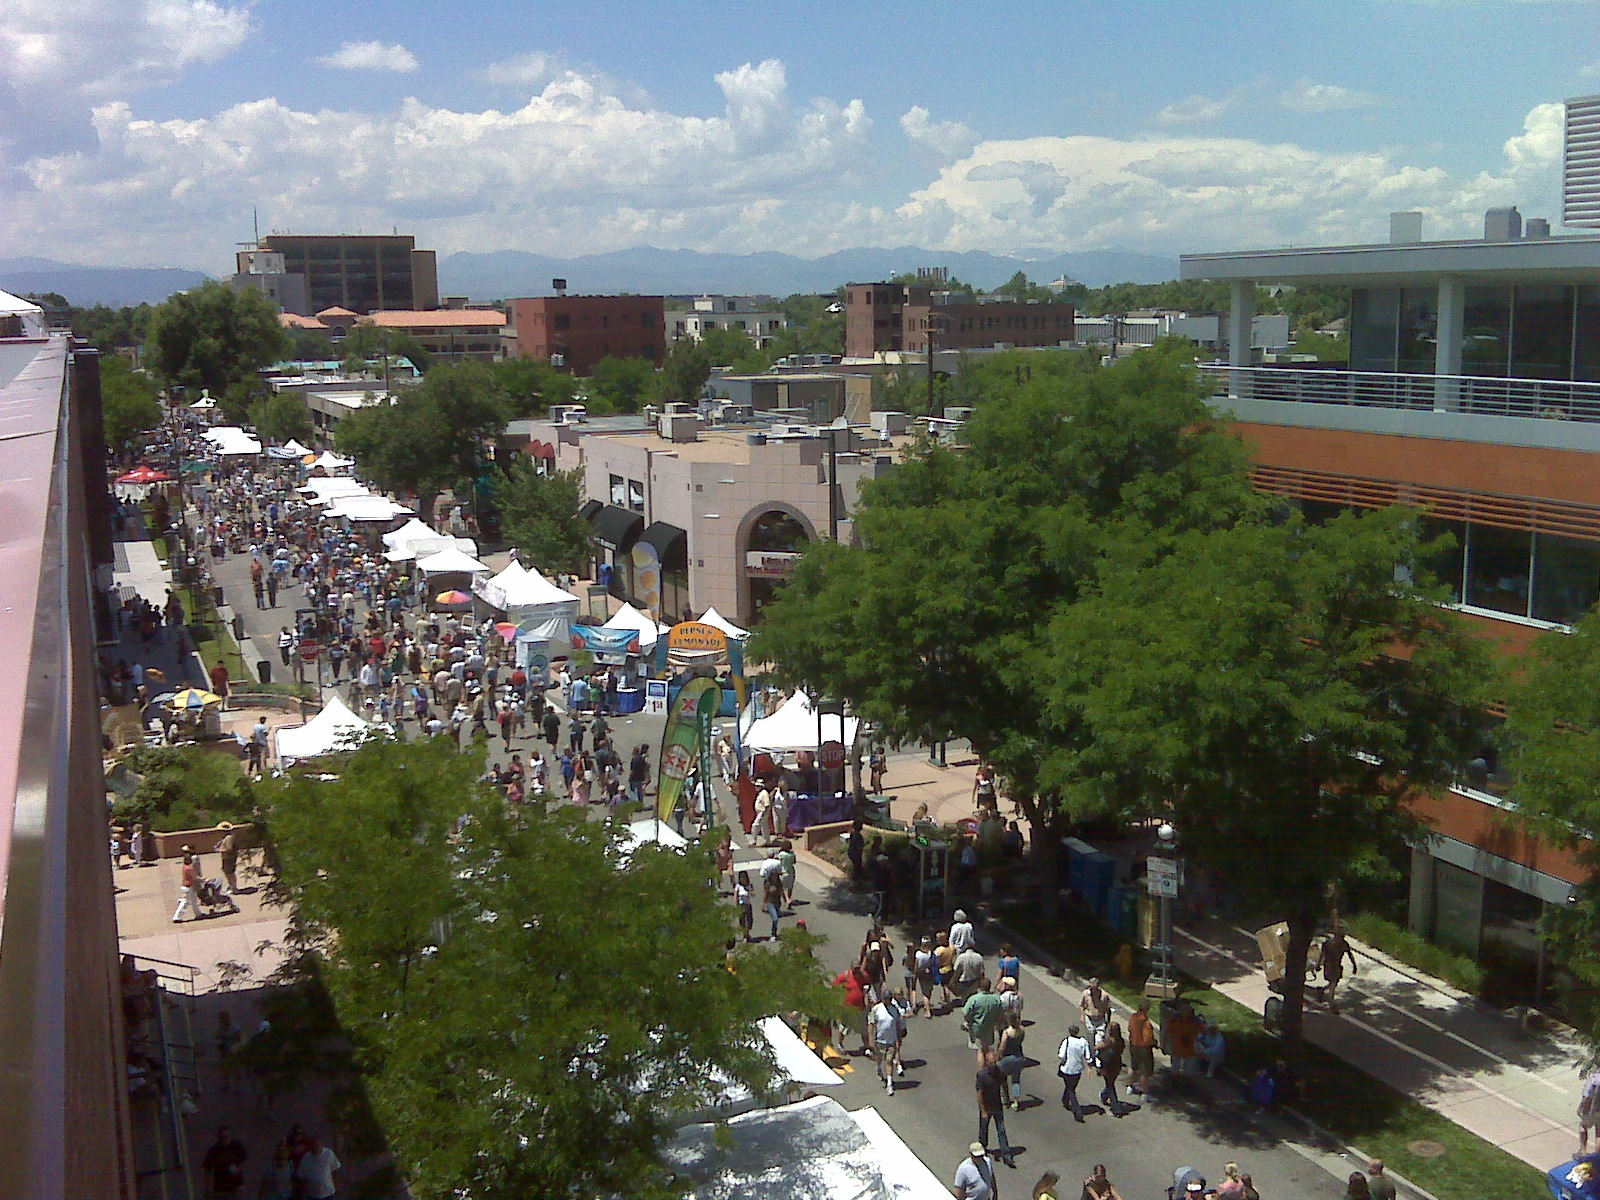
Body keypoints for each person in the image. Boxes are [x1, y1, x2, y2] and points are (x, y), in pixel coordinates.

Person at [975, 1053, 1015, 1167]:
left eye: (994, 1061)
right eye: (991, 1062)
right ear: (986, 1062)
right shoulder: (982, 1075)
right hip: (986, 1107)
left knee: (1001, 1130)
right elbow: (979, 1093)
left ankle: (1006, 1155)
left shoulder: (999, 1072)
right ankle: (982, 1149)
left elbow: (1004, 1083)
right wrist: (983, 1111)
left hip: (997, 1106)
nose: (993, 1064)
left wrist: (1006, 1098)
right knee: (983, 1130)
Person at [868, 989, 903, 1095]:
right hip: (879, 1041)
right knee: (879, 1058)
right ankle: (878, 1067)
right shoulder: (876, 1009)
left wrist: (898, 1038)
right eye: (886, 999)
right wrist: (871, 1040)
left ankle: (889, 1084)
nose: (888, 1000)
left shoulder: (894, 1009)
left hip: (891, 1041)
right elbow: (872, 1025)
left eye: (889, 999)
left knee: (889, 1062)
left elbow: (897, 1024)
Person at [201, 1124, 248, 1198]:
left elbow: (244, 1159)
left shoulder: (236, 1145)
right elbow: (207, 1170)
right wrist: (208, 1189)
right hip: (221, 1187)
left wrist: (238, 1169)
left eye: (226, 1137)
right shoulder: (213, 1151)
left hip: (237, 1184)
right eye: (221, 1137)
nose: (224, 1140)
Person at [963, 979, 1004, 1063]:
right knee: (986, 1047)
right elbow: (1001, 1012)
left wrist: (969, 1021)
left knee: (981, 1050)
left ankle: (983, 1069)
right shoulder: (996, 999)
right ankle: (990, 1063)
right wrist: (997, 1023)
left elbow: (965, 1012)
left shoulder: (974, 998)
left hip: (977, 1027)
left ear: (980, 987)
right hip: (990, 1027)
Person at [1057, 1023, 1090, 1122]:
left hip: (1067, 1069)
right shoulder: (1083, 1042)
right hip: (1078, 1069)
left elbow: (1061, 1055)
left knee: (1071, 1090)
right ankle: (1065, 1100)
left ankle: (1077, 1111)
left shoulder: (1066, 1041)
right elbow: (1087, 1056)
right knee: (1071, 1086)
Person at [1322, 924, 1359, 1013]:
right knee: (1333, 983)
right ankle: (1331, 1003)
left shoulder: (1343, 944)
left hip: (1337, 966)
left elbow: (1350, 954)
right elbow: (1322, 954)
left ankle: (1322, 990)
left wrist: (1354, 965)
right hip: (1329, 965)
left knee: (1334, 983)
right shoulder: (1329, 943)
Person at [996, 1010, 1027, 1109]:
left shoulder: (1007, 1032)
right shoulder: (1022, 1029)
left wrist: (998, 1055)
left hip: (1007, 1058)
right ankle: (1016, 1101)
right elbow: (1021, 1040)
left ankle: (1005, 1098)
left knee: (1002, 1077)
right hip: (1019, 1057)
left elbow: (1002, 1046)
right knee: (1016, 1080)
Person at [1128, 999, 1158, 1095]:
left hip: (1133, 1045)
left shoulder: (1133, 1017)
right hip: (1144, 1049)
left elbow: (1129, 1029)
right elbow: (1148, 1039)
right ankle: (1144, 1092)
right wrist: (1155, 1043)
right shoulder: (1146, 1023)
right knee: (1144, 1071)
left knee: (1133, 1066)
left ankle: (1130, 1086)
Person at [1096, 1019, 1126, 1115]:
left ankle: (1116, 1109)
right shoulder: (1120, 1041)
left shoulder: (1108, 1041)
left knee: (1110, 1086)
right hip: (1117, 1065)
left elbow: (1097, 1047)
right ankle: (1104, 1096)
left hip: (1107, 1066)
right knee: (1110, 1082)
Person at [172, 848, 200, 923]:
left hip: (185, 886)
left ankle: (198, 914)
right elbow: (195, 877)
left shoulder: (184, 866)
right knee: (185, 902)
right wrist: (203, 879)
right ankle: (177, 917)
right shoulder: (189, 868)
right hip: (188, 886)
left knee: (194, 900)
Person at [1580, 1069, 1600, 1153]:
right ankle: (1597, 1154)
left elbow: (1587, 1095)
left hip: (1590, 1109)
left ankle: (1584, 1150)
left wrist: (1581, 1107)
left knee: (1583, 1126)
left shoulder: (1595, 1077)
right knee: (1599, 1133)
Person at [734, 871, 754, 942]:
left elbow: (753, 894)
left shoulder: (750, 885)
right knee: (742, 921)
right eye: (741, 877)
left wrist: (749, 890)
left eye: (744, 877)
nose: (743, 879)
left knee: (749, 921)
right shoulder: (738, 886)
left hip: (748, 905)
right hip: (741, 905)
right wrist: (736, 906)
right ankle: (745, 936)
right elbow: (736, 896)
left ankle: (747, 933)